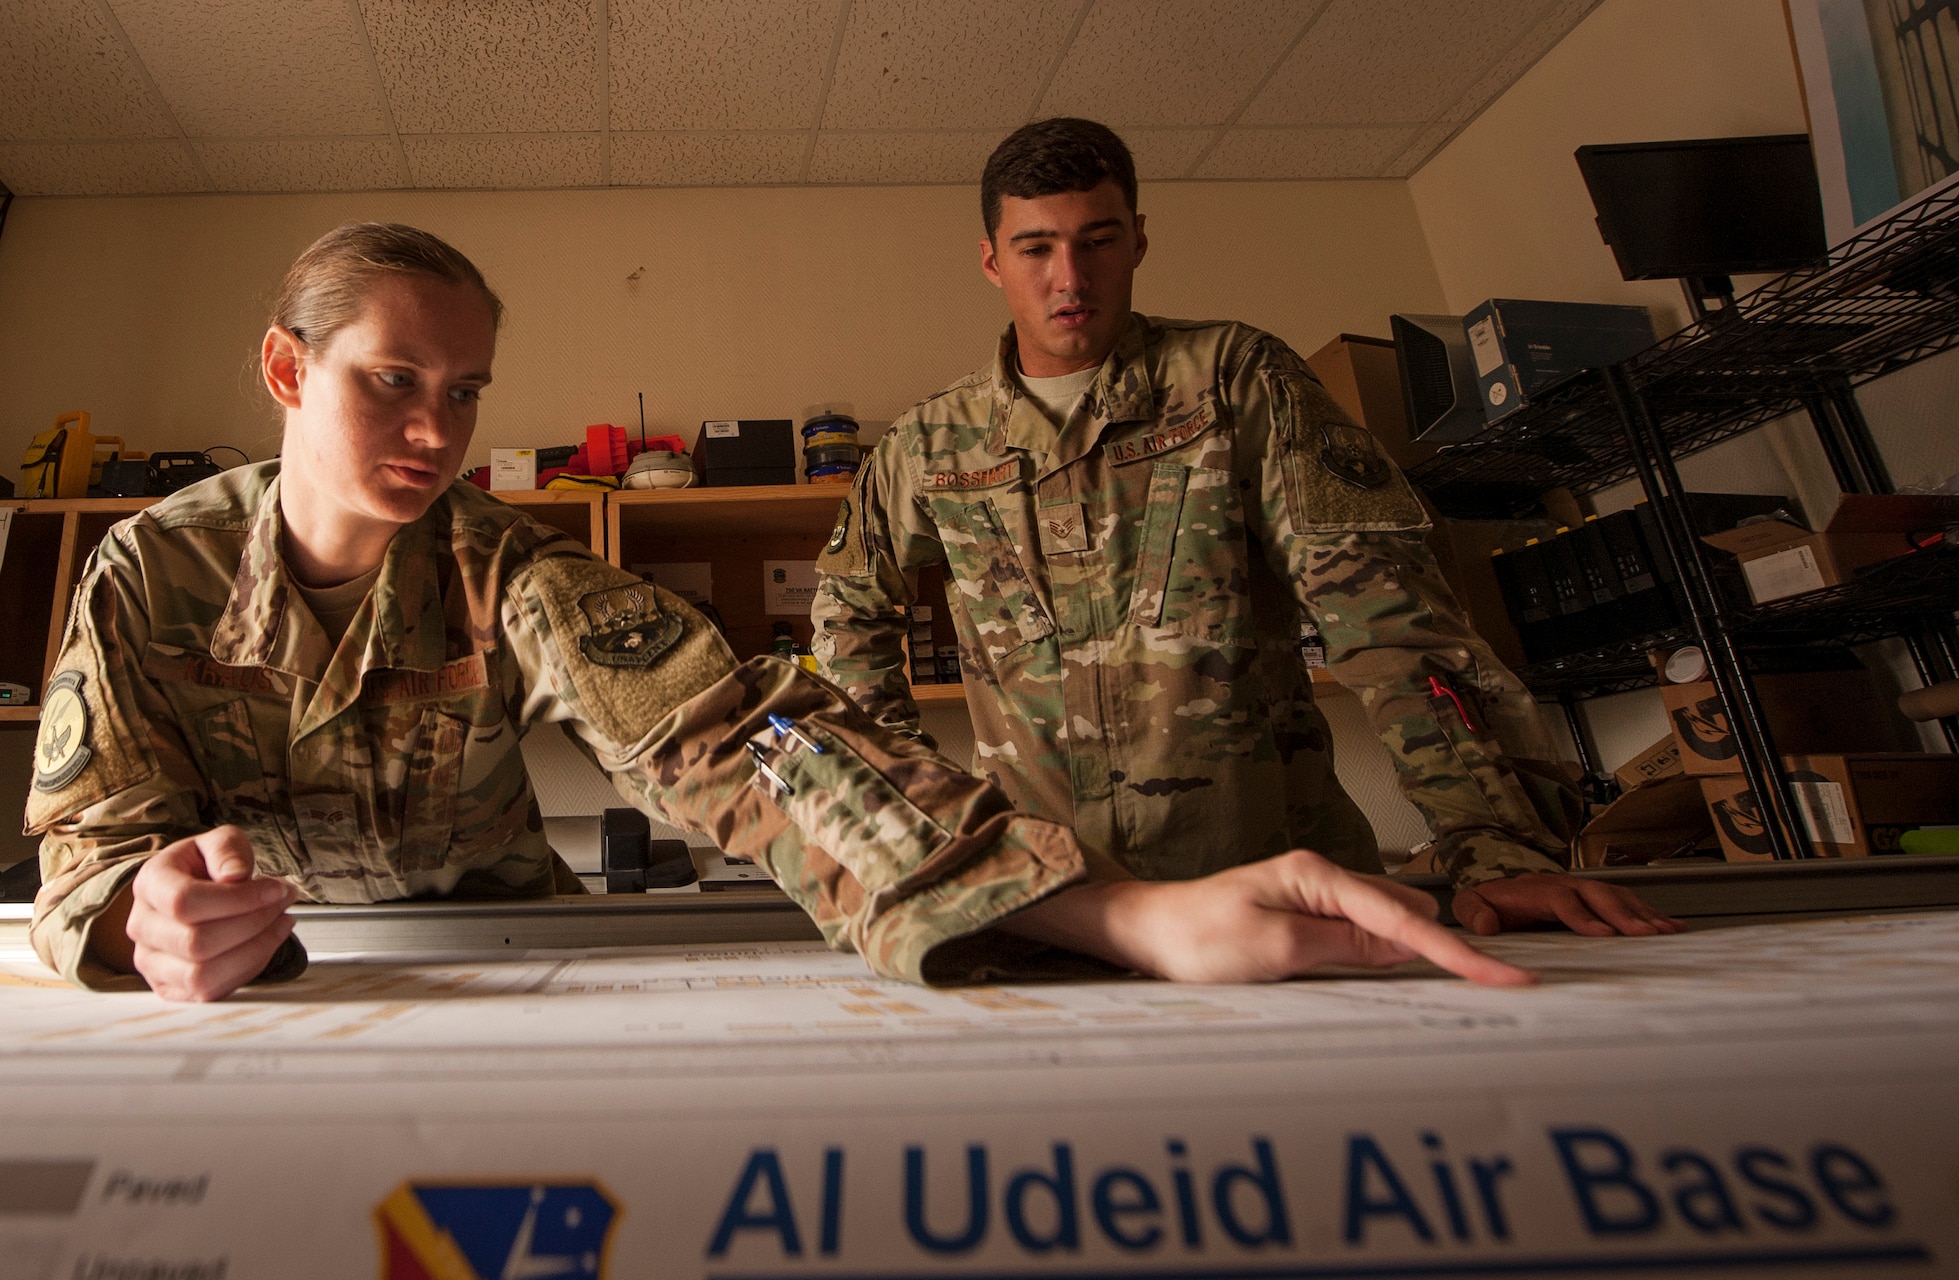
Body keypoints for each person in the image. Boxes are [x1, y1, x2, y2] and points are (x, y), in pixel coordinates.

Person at [24, 222, 1536, 1003]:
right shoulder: (148, 570)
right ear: (289, 372)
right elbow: (87, 840)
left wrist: (1123, 914)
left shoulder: (505, 567)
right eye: (392, 381)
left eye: (466, 389)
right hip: (292, 987)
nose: (435, 429)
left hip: (494, 968)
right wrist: (143, 917)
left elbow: (745, 735)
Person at [812, 119, 1680, 941]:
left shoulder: (1235, 378)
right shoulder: (928, 444)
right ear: (991, 260)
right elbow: (848, 615)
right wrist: (911, 827)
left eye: (1098, 240)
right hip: (1050, 905)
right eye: (1036, 248)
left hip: (1271, 887)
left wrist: (1494, 847)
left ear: (1139, 240)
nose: (1069, 278)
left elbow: (1388, 612)